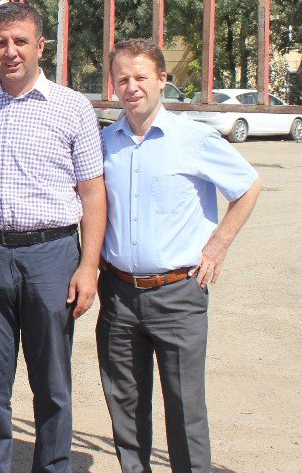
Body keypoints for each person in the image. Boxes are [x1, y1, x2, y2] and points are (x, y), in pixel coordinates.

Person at [0, 1, 107, 472]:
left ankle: (52, 467)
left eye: (19, 41)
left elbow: (93, 193)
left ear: (40, 46)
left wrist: (88, 266)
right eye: (0, 42)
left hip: (52, 256)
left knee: (52, 382)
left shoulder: (73, 107)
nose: (9, 51)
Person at [98, 38, 261, 472]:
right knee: (125, 408)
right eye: (122, 79)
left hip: (177, 296)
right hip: (117, 295)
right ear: (113, 85)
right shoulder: (105, 142)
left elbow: (247, 186)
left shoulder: (194, 139)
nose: (131, 87)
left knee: (185, 409)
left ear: (162, 81)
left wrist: (218, 244)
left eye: (141, 77)